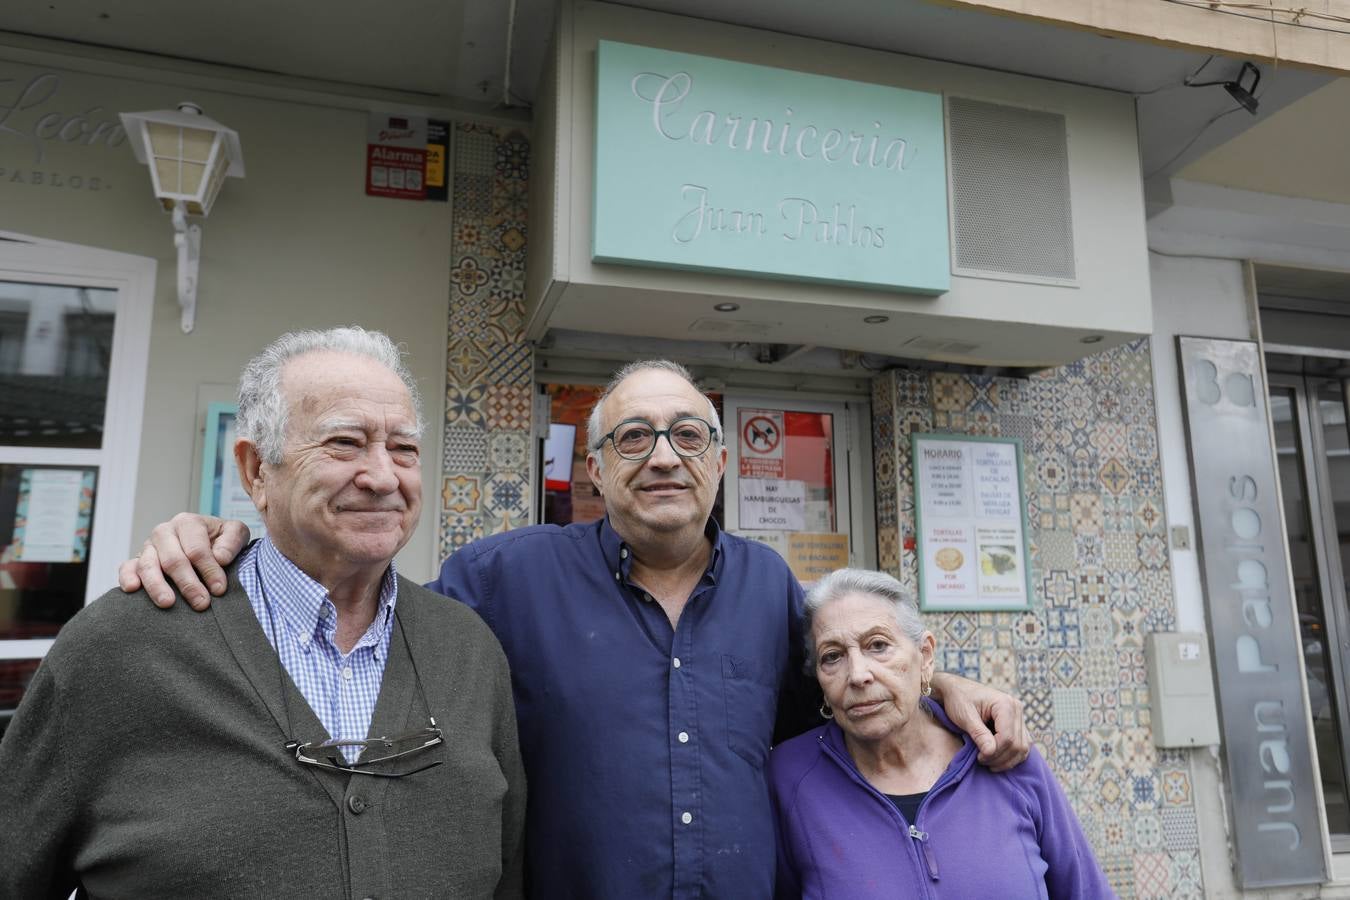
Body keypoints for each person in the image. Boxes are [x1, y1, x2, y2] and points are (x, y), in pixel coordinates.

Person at [118, 359, 1029, 900]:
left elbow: (852, 684)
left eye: (688, 435)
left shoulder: (771, 588)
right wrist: (235, 542)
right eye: (633, 438)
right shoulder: (503, 578)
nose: (663, 457)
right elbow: (358, 620)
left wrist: (941, 686)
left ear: (720, 461)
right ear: (594, 469)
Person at [0, 327, 526, 898]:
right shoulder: (120, 645)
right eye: (345, 442)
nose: (383, 476)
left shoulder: (468, 648)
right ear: (256, 471)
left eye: (404, 448)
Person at [769, 568, 1112, 899]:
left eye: (878, 645)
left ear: (926, 656)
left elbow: (1084, 890)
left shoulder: (1003, 750)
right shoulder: (790, 778)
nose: (858, 674)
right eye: (832, 656)